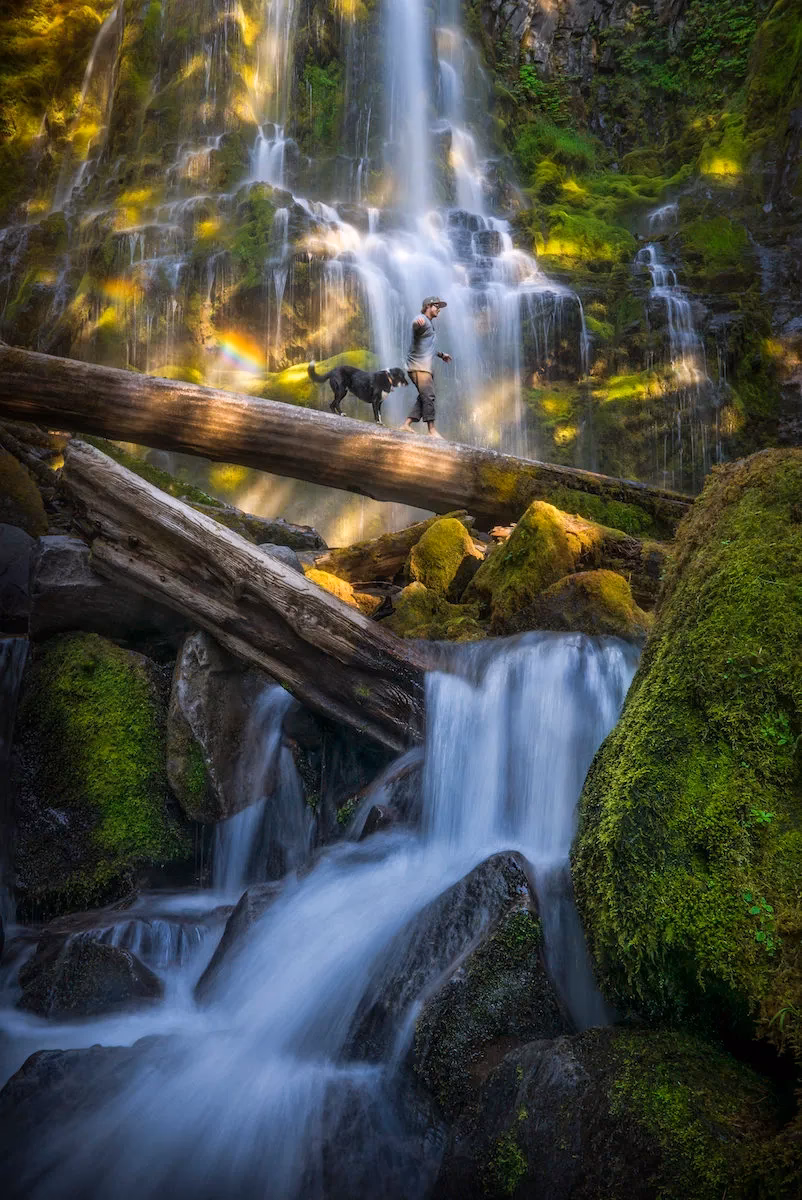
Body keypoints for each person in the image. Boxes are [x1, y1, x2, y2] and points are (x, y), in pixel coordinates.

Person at [401, 296, 452, 438]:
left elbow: (428, 347)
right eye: (436, 306)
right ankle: (431, 430)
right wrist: (416, 324)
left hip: (423, 367)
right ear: (428, 307)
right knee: (429, 396)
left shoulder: (430, 324)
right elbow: (416, 325)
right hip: (419, 366)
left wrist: (442, 355)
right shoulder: (421, 319)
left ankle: (406, 424)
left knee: (424, 396)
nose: (439, 310)